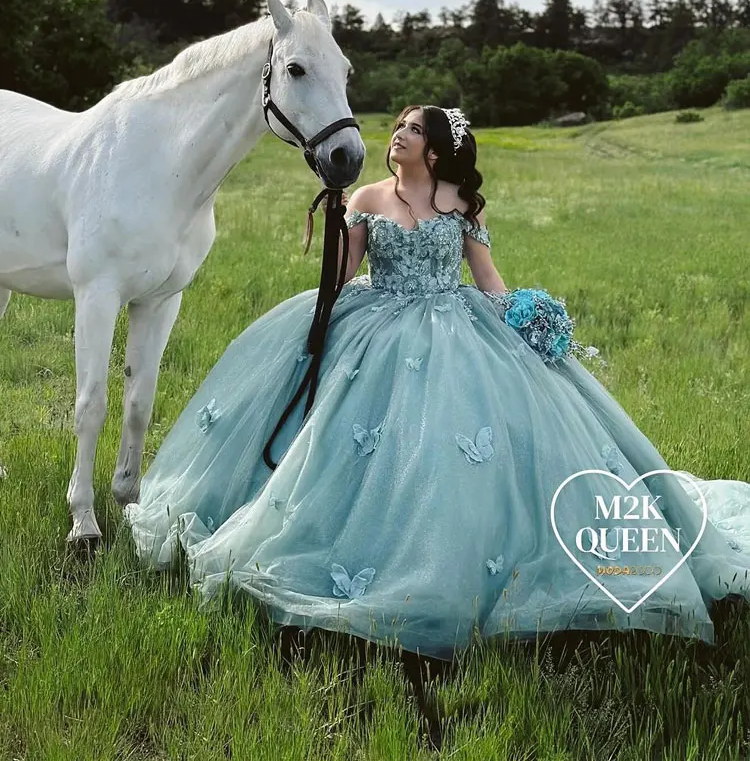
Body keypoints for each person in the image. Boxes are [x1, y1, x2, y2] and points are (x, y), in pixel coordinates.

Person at [124, 104, 750, 666]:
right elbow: (341, 278)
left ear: (435, 149)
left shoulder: (461, 203)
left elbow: (488, 279)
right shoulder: (367, 198)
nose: (397, 135)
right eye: (396, 127)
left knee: (467, 440)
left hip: (456, 325)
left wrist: (526, 320)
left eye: (412, 130)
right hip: (378, 324)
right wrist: (319, 307)